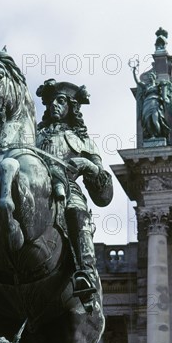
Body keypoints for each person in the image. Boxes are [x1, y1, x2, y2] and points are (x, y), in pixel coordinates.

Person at [35, 79, 113, 304]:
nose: (54, 106)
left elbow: (104, 195)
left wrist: (88, 166)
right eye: (50, 102)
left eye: (60, 101)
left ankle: (86, 272)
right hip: (32, 190)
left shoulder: (83, 142)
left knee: (76, 211)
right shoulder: (32, 137)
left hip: (69, 190)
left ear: (71, 106)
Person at [131, 68, 172, 140]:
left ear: (154, 77)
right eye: (149, 76)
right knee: (148, 120)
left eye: (151, 76)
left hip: (155, 104)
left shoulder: (158, 86)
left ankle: (158, 135)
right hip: (146, 103)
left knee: (155, 119)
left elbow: (165, 90)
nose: (150, 77)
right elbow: (138, 82)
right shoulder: (146, 86)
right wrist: (134, 72)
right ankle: (152, 136)